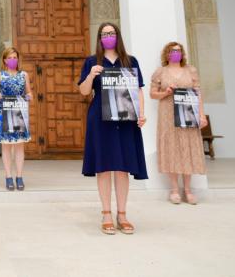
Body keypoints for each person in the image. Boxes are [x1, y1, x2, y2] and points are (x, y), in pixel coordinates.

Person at [77, 23, 147, 235]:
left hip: (126, 119)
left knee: (123, 167)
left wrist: (141, 114)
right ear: (99, 38)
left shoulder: (130, 61)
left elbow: (139, 90)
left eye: (112, 33)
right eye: (104, 34)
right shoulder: (92, 61)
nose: (108, 36)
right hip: (100, 119)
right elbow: (83, 91)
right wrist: (91, 75)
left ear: (118, 36)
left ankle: (122, 214)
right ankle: (107, 213)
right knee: (104, 166)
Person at [150, 41, 207, 205]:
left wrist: (201, 115)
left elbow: (198, 93)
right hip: (167, 115)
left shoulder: (191, 70)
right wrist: (166, 92)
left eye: (179, 51)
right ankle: (174, 189)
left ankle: (188, 190)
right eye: (172, 51)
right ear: (166, 54)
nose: (176, 53)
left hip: (188, 114)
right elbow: (152, 94)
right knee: (171, 149)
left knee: (187, 149)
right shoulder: (160, 72)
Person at [0, 47, 32, 190]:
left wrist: (30, 96)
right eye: (10, 58)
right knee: (6, 147)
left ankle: (19, 177)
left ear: (18, 59)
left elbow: (28, 92)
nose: (13, 60)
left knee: (19, 147)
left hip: (19, 112)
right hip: (4, 113)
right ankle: (8, 177)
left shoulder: (24, 75)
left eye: (15, 57)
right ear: (4, 60)